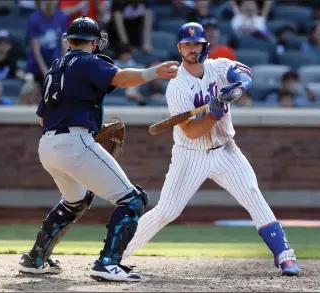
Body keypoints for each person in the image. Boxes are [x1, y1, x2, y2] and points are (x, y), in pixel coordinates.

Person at [122, 22, 300, 277]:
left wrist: (237, 88)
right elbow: (192, 131)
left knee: (251, 193)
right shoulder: (177, 86)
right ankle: (116, 254)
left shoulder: (217, 67)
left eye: (196, 44)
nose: (192, 49)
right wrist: (214, 114)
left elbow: (245, 72)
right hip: (191, 153)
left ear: (205, 45)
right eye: (187, 45)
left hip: (226, 149)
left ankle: (285, 255)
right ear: (180, 49)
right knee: (167, 211)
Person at [17, 16, 178, 282]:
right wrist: (154, 72)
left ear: (68, 40)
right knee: (133, 200)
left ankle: (35, 258)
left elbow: (43, 119)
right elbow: (121, 77)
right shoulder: (88, 61)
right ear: (94, 42)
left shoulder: (55, 67)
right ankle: (108, 263)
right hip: (75, 142)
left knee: (76, 200)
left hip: (47, 145)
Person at [27, 0, 68, 86]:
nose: (49, 2)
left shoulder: (62, 17)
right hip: (38, 66)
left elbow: (64, 44)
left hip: (56, 63)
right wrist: (45, 72)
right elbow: (36, 50)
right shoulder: (34, 19)